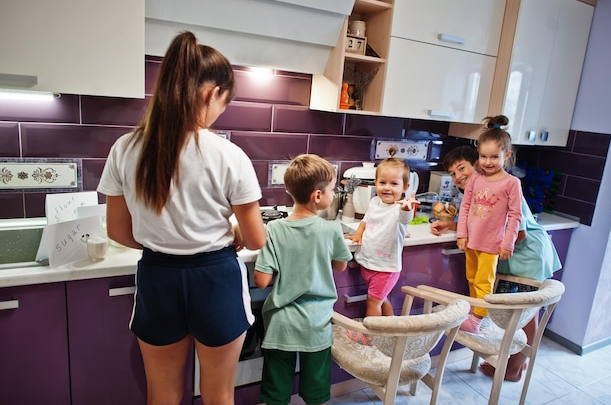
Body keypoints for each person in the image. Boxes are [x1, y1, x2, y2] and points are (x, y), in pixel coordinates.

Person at [97, 31, 267, 405]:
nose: (222, 111)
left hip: (158, 278)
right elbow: (256, 240)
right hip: (215, 278)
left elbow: (118, 231)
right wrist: (234, 228)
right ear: (211, 94)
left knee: (162, 394)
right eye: (225, 102)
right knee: (218, 395)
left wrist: (168, 238)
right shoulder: (229, 154)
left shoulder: (125, 148)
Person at [432, 143, 561, 382]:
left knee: (525, 314)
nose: (458, 176)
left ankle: (514, 367)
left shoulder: (505, 188)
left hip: (528, 255)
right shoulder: (477, 191)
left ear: (479, 165)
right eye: (452, 173)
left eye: (462, 168)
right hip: (509, 259)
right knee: (512, 314)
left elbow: (519, 233)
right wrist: (452, 226)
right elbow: (481, 223)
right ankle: (512, 364)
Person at [254, 154, 353, 405]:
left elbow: (262, 281)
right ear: (317, 196)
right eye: (333, 189)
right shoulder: (331, 229)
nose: (334, 194)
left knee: (276, 391)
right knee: (315, 390)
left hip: (281, 324)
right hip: (317, 325)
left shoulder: (273, 230)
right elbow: (340, 266)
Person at [455, 115, 523, 334]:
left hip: (492, 243)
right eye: (484, 156)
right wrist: (461, 234)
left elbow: (515, 216)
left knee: (484, 282)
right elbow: (465, 206)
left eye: (494, 156)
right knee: (472, 278)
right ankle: (475, 310)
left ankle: (477, 319)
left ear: (507, 155)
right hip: (472, 240)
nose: (488, 162)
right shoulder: (475, 179)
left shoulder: (511, 183)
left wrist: (508, 243)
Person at [347, 157, 418, 344]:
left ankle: (372, 336)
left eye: (394, 183)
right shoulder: (375, 202)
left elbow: (405, 217)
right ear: (375, 183)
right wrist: (358, 234)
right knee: (381, 299)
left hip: (386, 268)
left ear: (405, 187)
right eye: (382, 182)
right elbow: (366, 220)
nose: (387, 188)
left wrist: (407, 207)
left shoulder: (400, 209)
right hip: (368, 262)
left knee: (373, 302)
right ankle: (390, 328)